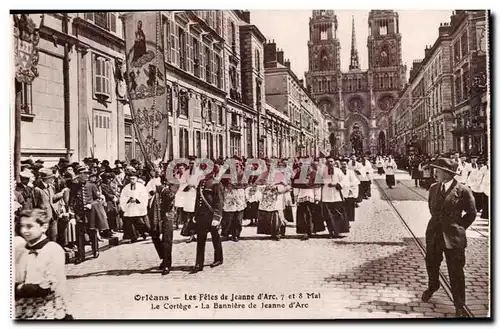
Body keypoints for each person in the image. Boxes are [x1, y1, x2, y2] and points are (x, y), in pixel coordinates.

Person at [421, 158, 477, 317]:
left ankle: (459, 304)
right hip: (434, 234)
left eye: (437, 170)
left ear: (446, 173)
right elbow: (432, 209)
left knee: (456, 271)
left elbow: (471, 214)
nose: (434, 173)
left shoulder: (463, 190)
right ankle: (433, 286)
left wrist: (459, 229)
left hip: (453, 238)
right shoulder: (433, 188)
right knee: (431, 263)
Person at [14, 209, 73, 320]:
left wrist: (19, 288)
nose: (24, 231)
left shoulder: (53, 249)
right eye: (22, 226)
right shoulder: (19, 249)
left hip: (50, 310)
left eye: (29, 226)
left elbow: (47, 285)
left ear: (44, 227)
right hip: (22, 311)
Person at [190, 165, 223, 273]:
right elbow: (197, 200)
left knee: (215, 238)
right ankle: (199, 263)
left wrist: (217, 217)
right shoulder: (201, 183)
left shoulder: (216, 183)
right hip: (201, 216)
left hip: (211, 215)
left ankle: (218, 258)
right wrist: (195, 214)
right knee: (200, 240)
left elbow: (219, 201)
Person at [119, 170, 149, 243]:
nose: (132, 180)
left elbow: (144, 195)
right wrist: (128, 199)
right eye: (131, 179)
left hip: (138, 207)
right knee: (130, 223)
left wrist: (137, 199)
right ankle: (134, 237)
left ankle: (143, 233)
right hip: (130, 207)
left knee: (139, 222)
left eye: (133, 179)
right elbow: (123, 196)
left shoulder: (141, 186)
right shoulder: (126, 187)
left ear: (136, 179)